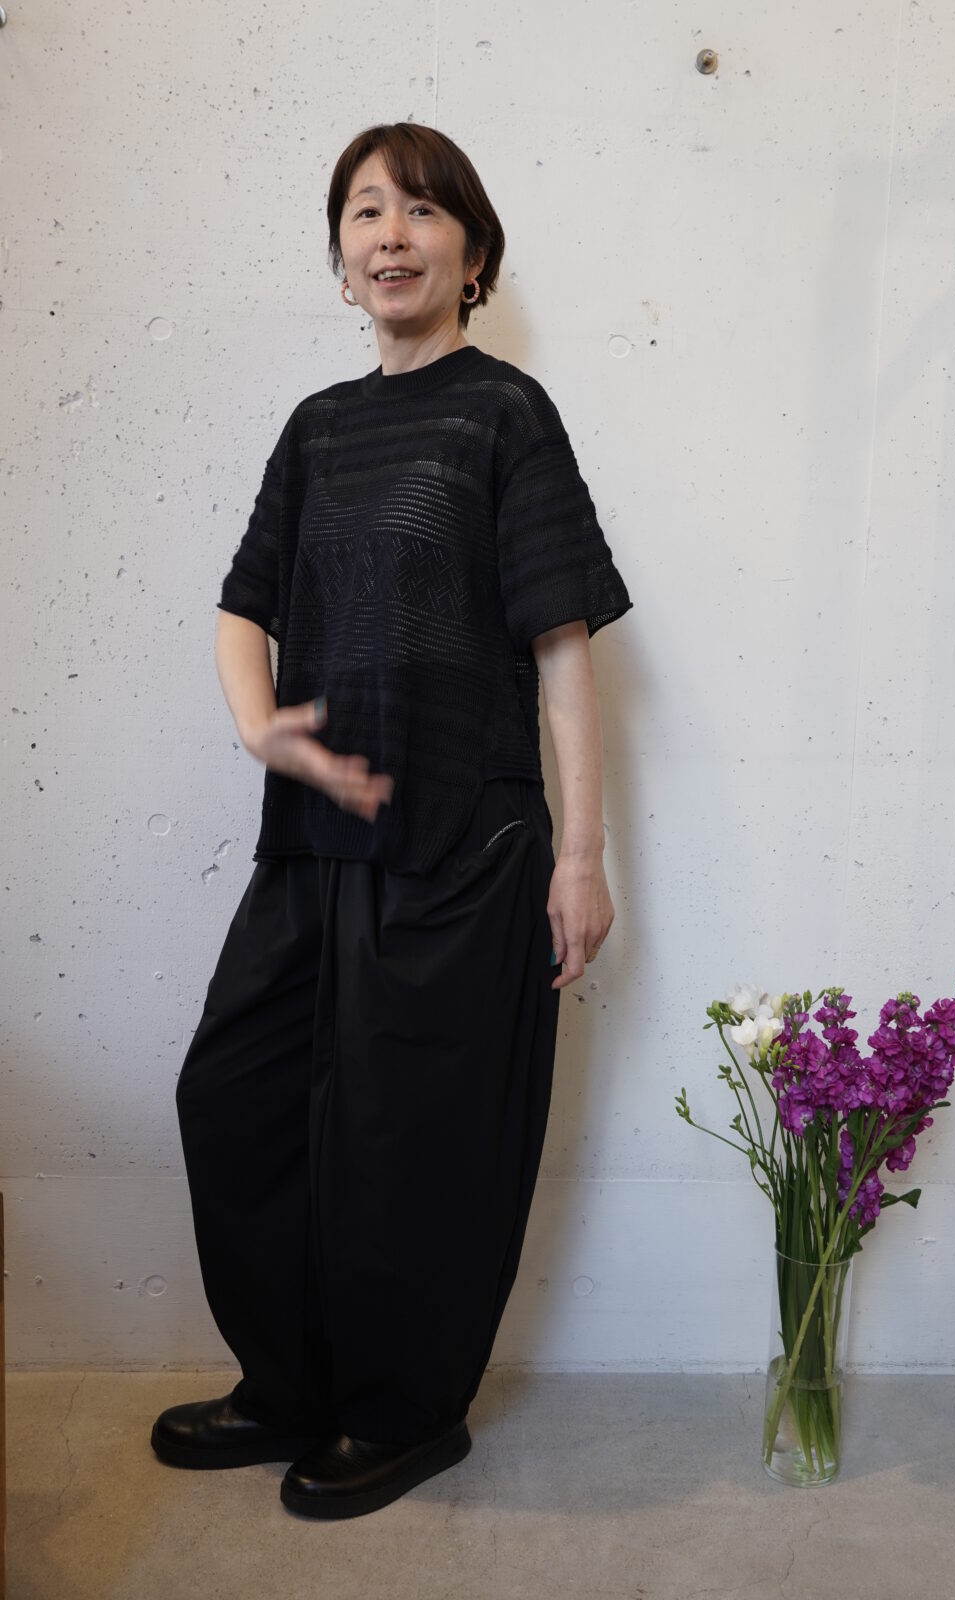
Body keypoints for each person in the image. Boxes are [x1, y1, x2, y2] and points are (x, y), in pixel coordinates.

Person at [150, 122, 633, 1521]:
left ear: (472, 254)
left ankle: (405, 1413)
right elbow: (244, 607)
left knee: (407, 1142)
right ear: (341, 254)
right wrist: (262, 726)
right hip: (314, 844)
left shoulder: (505, 415)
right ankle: (287, 1385)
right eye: (366, 211)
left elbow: (560, 644)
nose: (392, 235)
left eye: (422, 211)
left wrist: (584, 856)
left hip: (462, 848)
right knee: (236, 1101)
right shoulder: (318, 427)